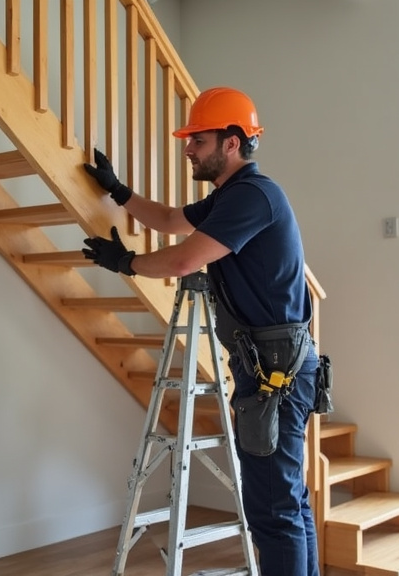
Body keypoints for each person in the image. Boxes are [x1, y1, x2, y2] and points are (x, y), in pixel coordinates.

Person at [81, 86, 321, 576]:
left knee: (274, 511)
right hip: (271, 363)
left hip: (278, 369)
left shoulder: (253, 196)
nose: (188, 148)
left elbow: (186, 257)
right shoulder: (230, 197)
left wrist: (125, 261)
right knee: (286, 503)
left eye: (199, 140)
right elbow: (171, 221)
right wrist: (118, 190)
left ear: (232, 143)